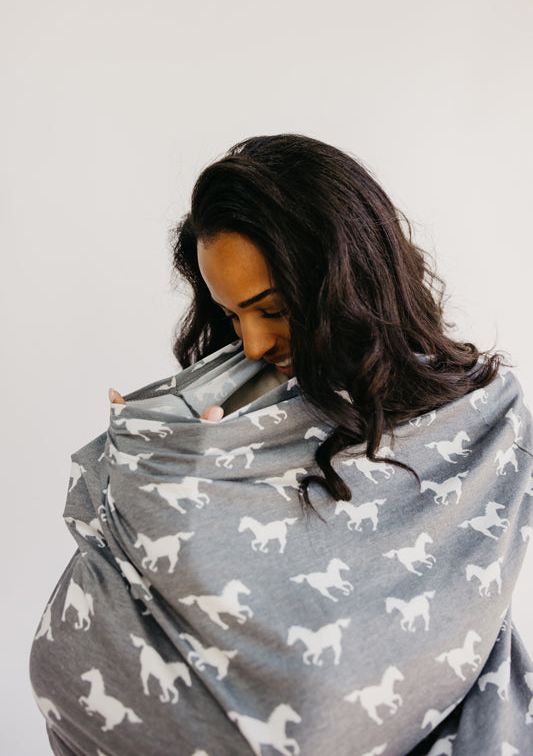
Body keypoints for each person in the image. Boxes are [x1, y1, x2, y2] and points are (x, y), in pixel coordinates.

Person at [30, 134, 533, 756]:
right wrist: (159, 469)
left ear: (347, 280)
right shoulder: (236, 401)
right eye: (232, 315)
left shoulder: (481, 422)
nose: (253, 343)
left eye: (272, 309)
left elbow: (337, 694)